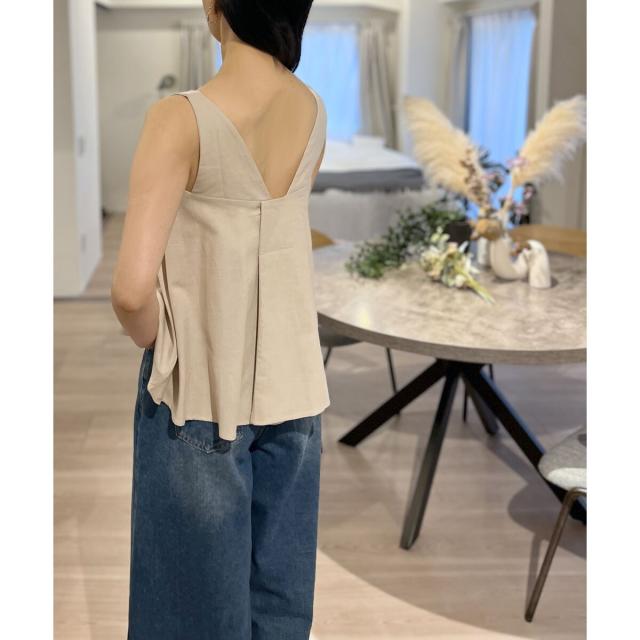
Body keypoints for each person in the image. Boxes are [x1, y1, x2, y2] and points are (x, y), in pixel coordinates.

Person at [110, 1, 330, 638]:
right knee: (280, 603)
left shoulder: (179, 119)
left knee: (190, 614)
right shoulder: (314, 110)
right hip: (297, 390)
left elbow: (130, 293)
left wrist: (168, 348)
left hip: (201, 395)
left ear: (218, 6)